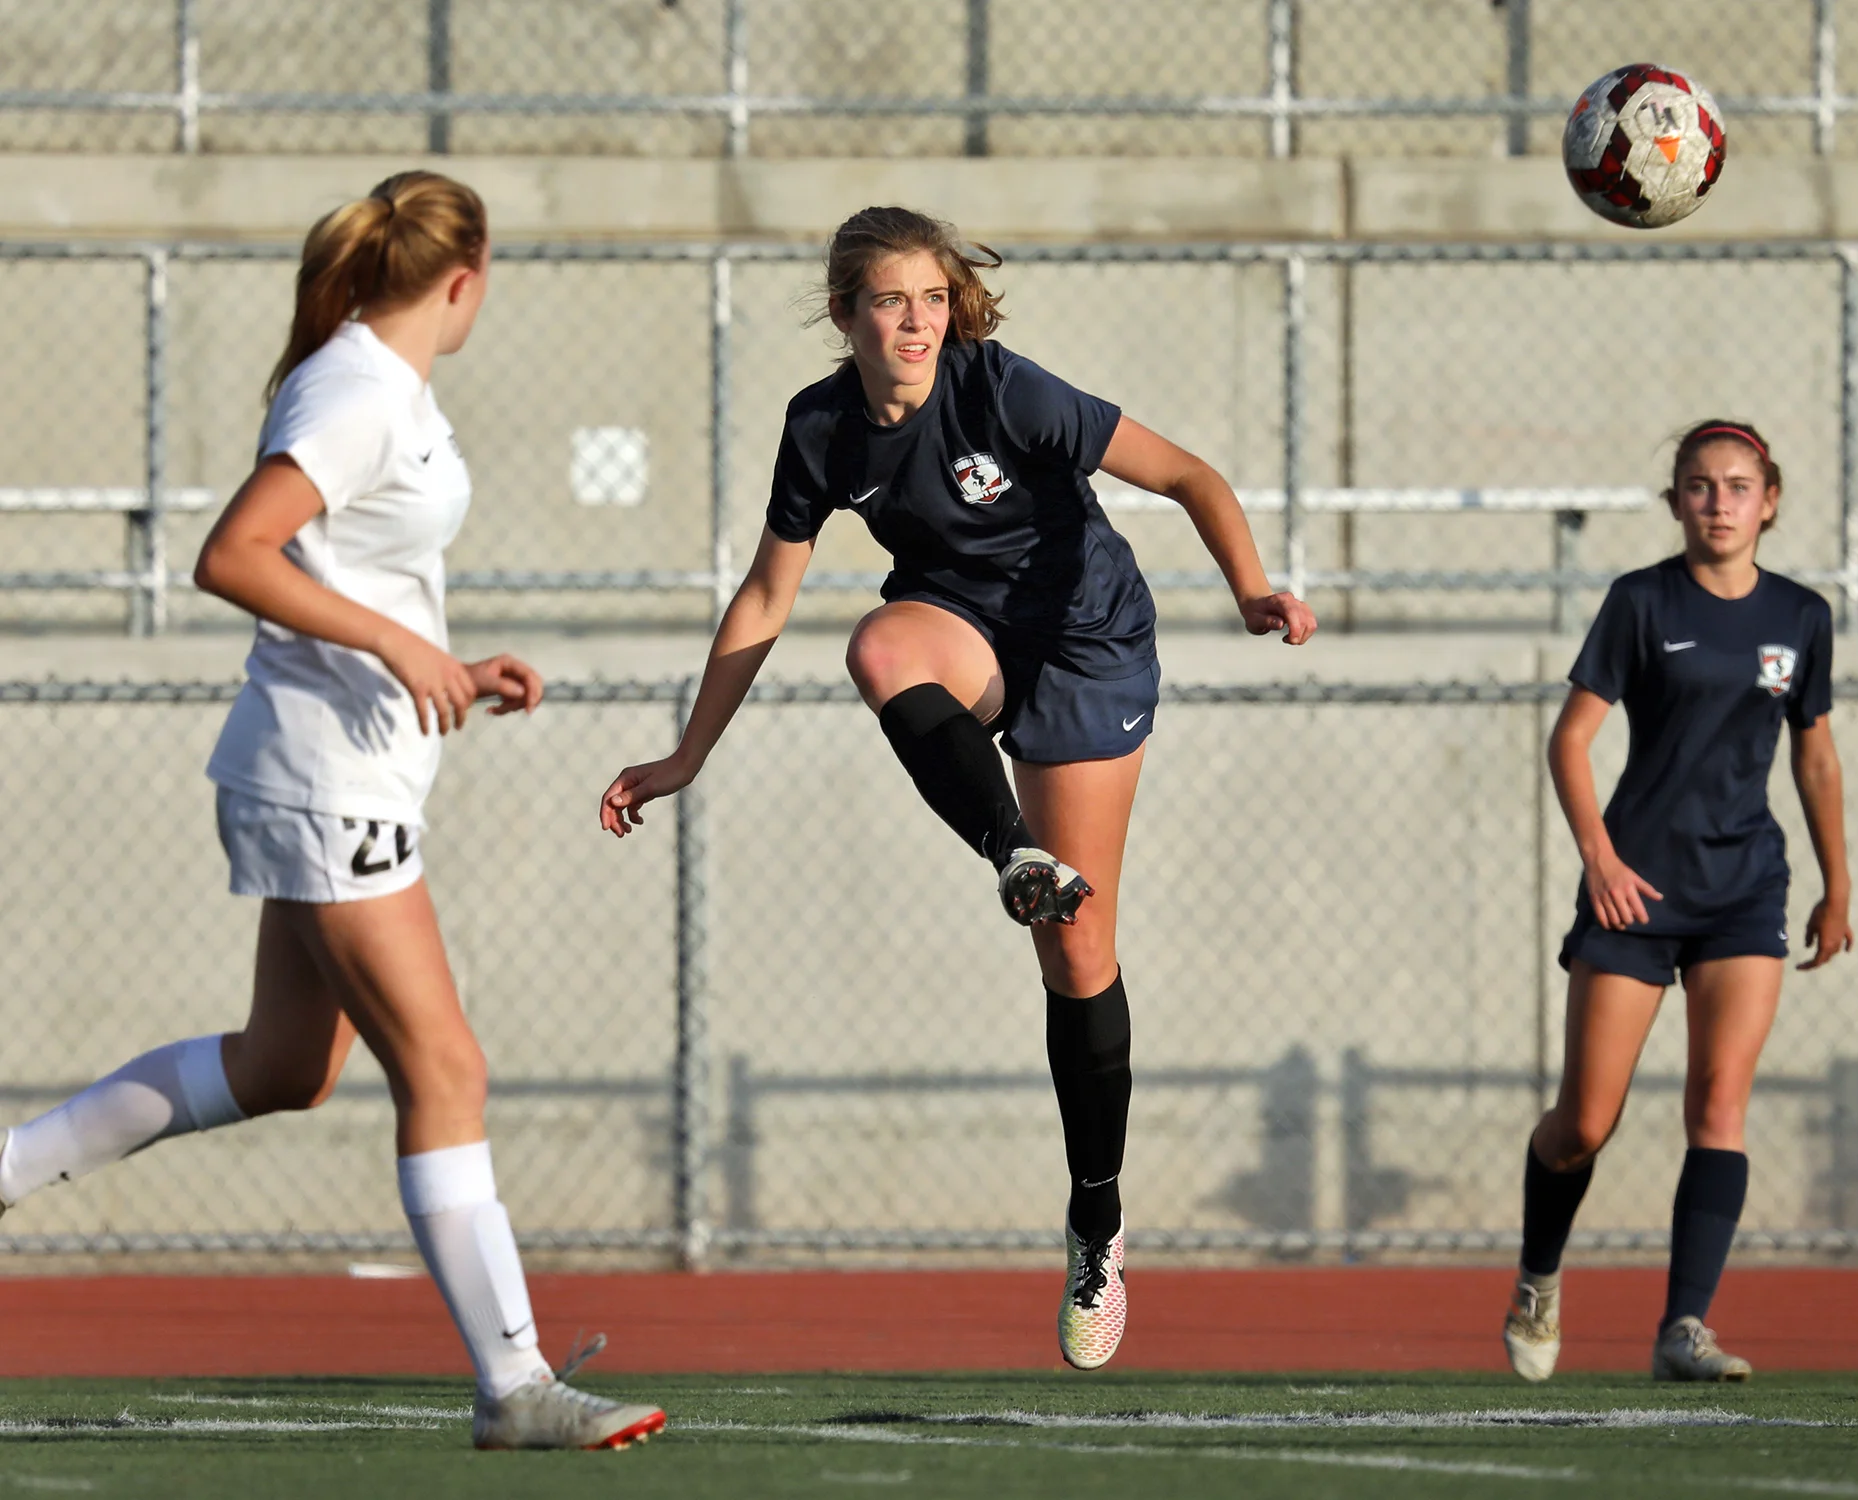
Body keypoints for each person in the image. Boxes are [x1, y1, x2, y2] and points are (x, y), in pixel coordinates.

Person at [0, 172, 663, 1451]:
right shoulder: (357, 390)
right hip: (322, 781)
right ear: (464, 278)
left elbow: (350, 571)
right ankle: (515, 1384)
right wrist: (400, 650)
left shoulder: (385, 385)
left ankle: (9, 1170)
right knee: (447, 1067)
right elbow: (234, 553)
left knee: (283, 1068)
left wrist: (446, 663)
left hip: (337, 772)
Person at [598, 205, 1317, 1371]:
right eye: (891, 301)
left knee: (1078, 956)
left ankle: (1096, 1222)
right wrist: (688, 753)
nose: (916, 323)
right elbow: (767, 597)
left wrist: (1251, 589)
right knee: (879, 647)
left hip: (1086, 644)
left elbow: (1190, 475)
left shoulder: (1004, 389)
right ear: (846, 314)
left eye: (932, 299)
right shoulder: (821, 427)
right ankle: (1012, 852)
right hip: (963, 631)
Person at [1502, 419, 1853, 1384]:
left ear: (1769, 502)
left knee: (1719, 1104)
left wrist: (1838, 884)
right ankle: (1538, 1277)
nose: (1719, 503)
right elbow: (1571, 739)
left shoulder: (1802, 616)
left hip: (1745, 889)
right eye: (1699, 486)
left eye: (1738, 487)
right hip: (1637, 891)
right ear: (1675, 503)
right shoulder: (1641, 601)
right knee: (1585, 1123)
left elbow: (1816, 756)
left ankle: (1683, 1328)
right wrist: (1601, 859)